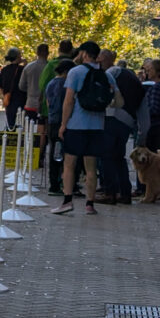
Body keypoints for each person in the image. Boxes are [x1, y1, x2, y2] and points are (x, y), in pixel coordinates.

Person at [52, 41, 120, 216]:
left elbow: (68, 101)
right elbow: (120, 101)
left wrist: (63, 124)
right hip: (97, 126)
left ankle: (67, 201)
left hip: (76, 125)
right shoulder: (106, 76)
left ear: (83, 54)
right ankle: (90, 204)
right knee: (91, 167)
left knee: (69, 164)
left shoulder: (75, 72)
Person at [96, 49, 142, 206]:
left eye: (99, 60)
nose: (98, 64)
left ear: (105, 59)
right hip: (127, 121)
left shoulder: (111, 72)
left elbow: (106, 92)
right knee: (119, 157)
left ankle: (110, 192)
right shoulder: (131, 76)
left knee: (107, 156)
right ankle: (125, 192)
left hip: (112, 117)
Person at [43, 59, 74, 196]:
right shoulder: (64, 85)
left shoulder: (51, 83)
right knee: (58, 154)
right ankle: (55, 184)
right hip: (60, 121)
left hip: (52, 120)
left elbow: (48, 102)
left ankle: (55, 182)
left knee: (54, 152)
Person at [19, 44, 49, 124]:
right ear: (48, 53)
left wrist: (30, 89)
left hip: (30, 103)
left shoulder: (28, 67)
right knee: (43, 131)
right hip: (46, 105)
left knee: (29, 129)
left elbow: (21, 86)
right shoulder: (51, 67)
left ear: (37, 53)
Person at [0, 48, 25, 129]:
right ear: (17, 57)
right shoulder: (22, 69)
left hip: (8, 99)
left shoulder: (4, 70)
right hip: (21, 99)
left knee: (11, 123)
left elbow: (1, 85)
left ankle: (10, 136)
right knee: (22, 124)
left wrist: (5, 95)